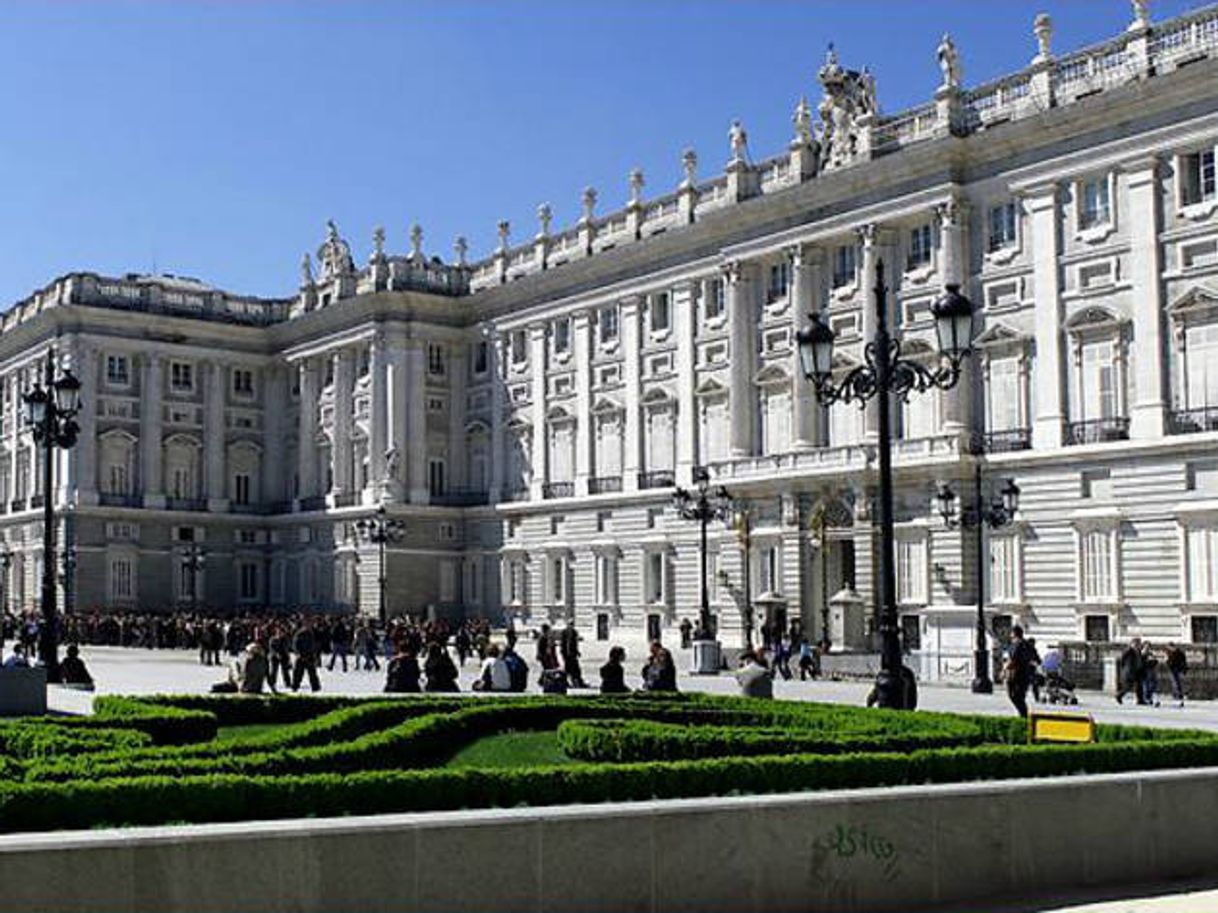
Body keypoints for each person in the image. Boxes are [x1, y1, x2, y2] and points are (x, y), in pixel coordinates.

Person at [1003, 625, 1036, 717]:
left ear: (1014, 633)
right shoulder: (1028, 644)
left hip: (1015, 675)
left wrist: (1004, 670)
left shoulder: (1015, 644)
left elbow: (1012, 659)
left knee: (1013, 696)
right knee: (1020, 696)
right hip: (1026, 674)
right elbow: (1036, 659)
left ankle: (1023, 716)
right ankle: (1022, 715)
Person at [291, 621, 322, 693]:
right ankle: (295, 686)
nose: (308, 626)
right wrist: (299, 654)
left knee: (312, 673)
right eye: (307, 625)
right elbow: (295, 645)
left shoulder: (311, 634)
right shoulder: (299, 634)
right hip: (301, 656)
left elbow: (313, 645)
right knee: (298, 673)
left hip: (309, 656)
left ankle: (315, 687)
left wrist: (313, 654)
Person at [1116, 637, 1145, 705]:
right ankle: (1119, 695)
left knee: (1139, 686)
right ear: (1132, 644)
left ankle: (1140, 700)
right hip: (1130, 671)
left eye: (1139, 643)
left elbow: (1140, 660)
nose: (1138, 645)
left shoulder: (1138, 651)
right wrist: (1126, 668)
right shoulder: (1128, 651)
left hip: (1137, 670)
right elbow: (1122, 660)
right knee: (1128, 686)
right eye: (1136, 643)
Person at [1166, 643, 1187, 707]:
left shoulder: (1179, 653)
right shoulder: (1169, 653)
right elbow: (1168, 661)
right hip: (1172, 670)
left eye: (1170, 647)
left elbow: (1183, 662)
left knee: (1178, 683)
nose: (1169, 649)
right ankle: (1176, 694)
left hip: (1178, 670)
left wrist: (1183, 669)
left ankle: (1179, 695)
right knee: (1175, 683)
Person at [1140, 641, 1160, 707]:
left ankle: (1150, 698)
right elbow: (1140, 663)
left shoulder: (1151, 653)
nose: (1148, 648)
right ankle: (1147, 698)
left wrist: (1153, 660)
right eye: (1146, 646)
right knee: (1145, 686)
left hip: (1151, 671)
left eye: (1149, 646)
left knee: (1152, 685)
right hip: (1144, 671)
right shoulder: (1141, 653)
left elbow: (1156, 661)